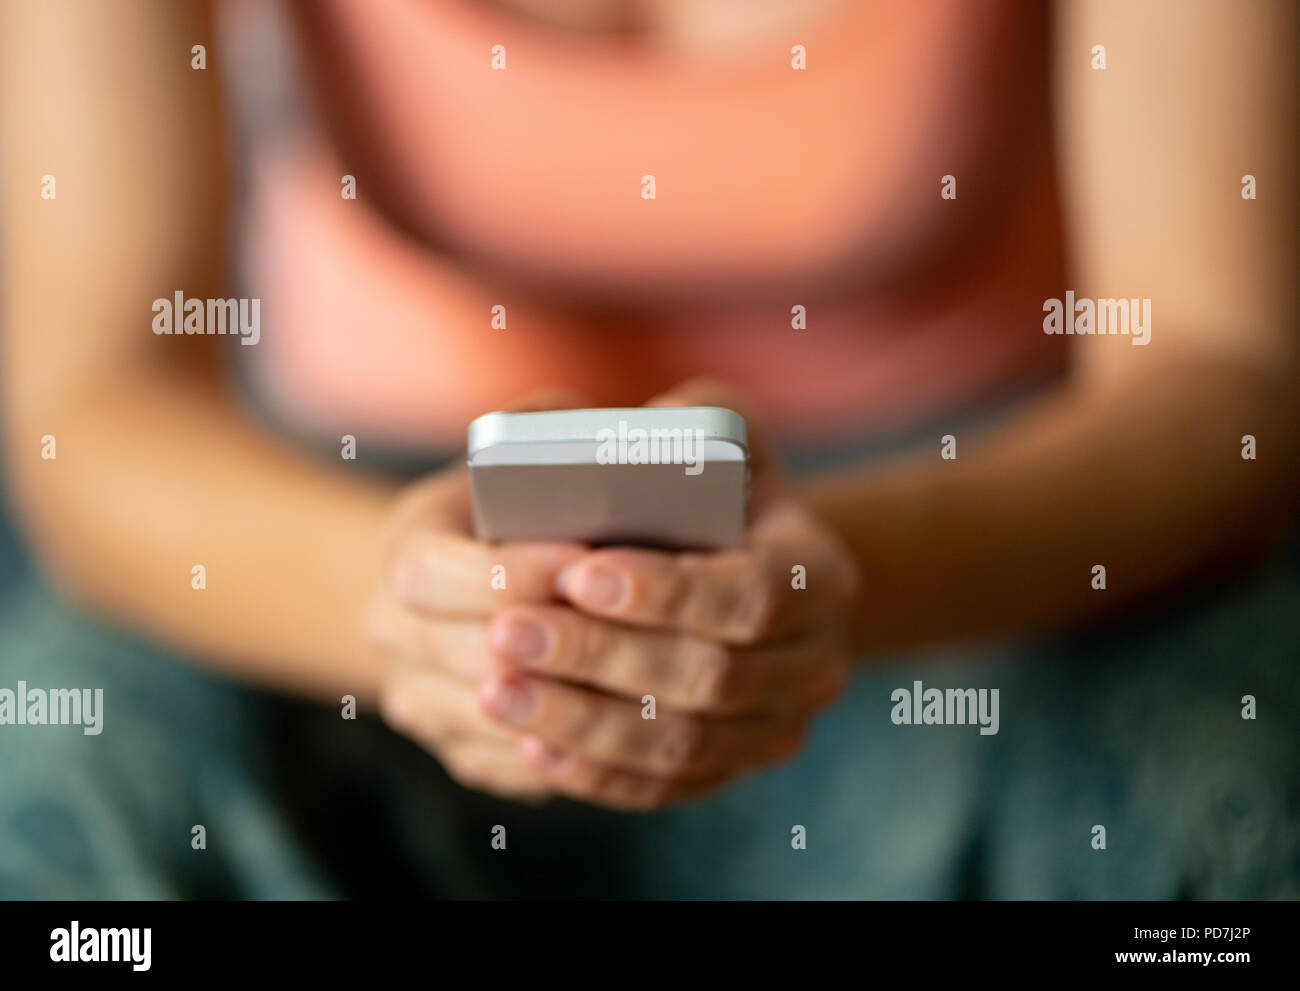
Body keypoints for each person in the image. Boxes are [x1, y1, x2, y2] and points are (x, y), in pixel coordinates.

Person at [1, 0, 1296, 898]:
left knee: (1228, 802)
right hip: (324, 530)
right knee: (55, 799)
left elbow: (1229, 380)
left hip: (983, 526)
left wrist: (808, 592)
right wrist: (419, 613)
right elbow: (89, 406)